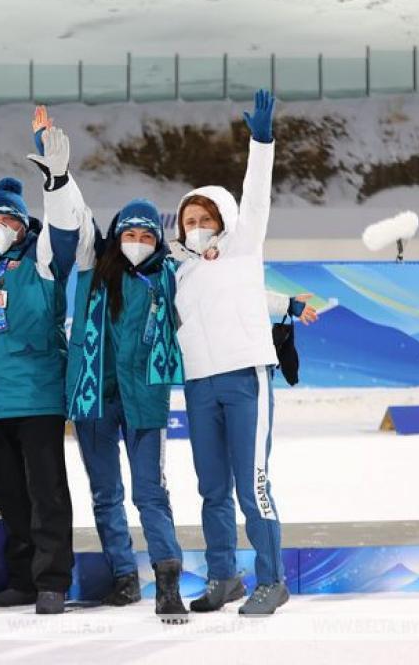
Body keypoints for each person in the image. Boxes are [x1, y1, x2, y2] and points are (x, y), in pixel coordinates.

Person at [0, 117, 85, 615]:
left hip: (37, 396)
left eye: (9, 220)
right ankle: (23, 577)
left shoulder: (43, 257)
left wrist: (57, 181)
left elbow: (67, 227)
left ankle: (52, 580)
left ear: (24, 224)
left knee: (46, 491)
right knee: (7, 494)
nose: (0, 228)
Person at [173, 89, 290, 616]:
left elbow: (258, 197)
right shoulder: (180, 271)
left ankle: (273, 579)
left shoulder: (244, 246)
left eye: (204, 217)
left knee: (253, 483)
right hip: (200, 384)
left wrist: (261, 143)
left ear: (223, 218)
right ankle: (225, 576)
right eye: (188, 220)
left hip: (246, 379)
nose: (195, 226)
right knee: (212, 488)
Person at [65, 192, 190, 622]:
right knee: (105, 494)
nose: (136, 241)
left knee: (150, 493)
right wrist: (61, 180)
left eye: (146, 235)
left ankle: (167, 579)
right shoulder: (94, 271)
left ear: (158, 240)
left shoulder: (173, 277)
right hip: (94, 395)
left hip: (145, 399)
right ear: (117, 238)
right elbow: (75, 214)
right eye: (129, 234)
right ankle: (123, 576)